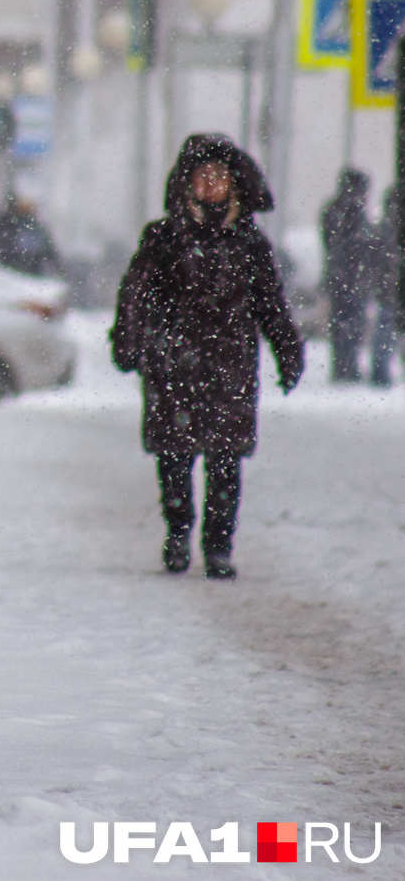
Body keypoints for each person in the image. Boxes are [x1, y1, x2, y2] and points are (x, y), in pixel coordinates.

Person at [110, 134, 302, 580]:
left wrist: (287, 351)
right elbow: (136, 291)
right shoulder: (163, 238)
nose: (211, 185)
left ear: (235, 185)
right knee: (174, 457)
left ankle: (218, 546)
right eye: (202, 177)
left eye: (219, 177)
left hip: (229, 364)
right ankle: (177, 534)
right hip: (174, 361)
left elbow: (270, 303)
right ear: (187, 184)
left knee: (225, 459)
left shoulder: (250, 243)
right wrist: (129, 338)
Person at [321, 169, 376, 382]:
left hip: (342, 277)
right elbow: (359, 244)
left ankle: (343, 365)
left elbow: (329, 241)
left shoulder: (333, 210)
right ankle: (347, 366)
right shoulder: (353, 211)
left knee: (342, 323)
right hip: (351, 278)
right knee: (351, 323)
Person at [0, 196, 62, 276]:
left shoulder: (34, 226)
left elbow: (48, 249)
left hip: (25, 267)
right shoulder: (9, 222)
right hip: (13, 265)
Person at [375, 185, 400, 388]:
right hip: (390, 289)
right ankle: (380, 371)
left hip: (389, 289)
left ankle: (381, 370)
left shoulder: (385, 228)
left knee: (386, 330)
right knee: (386, 330)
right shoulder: (389, 229)